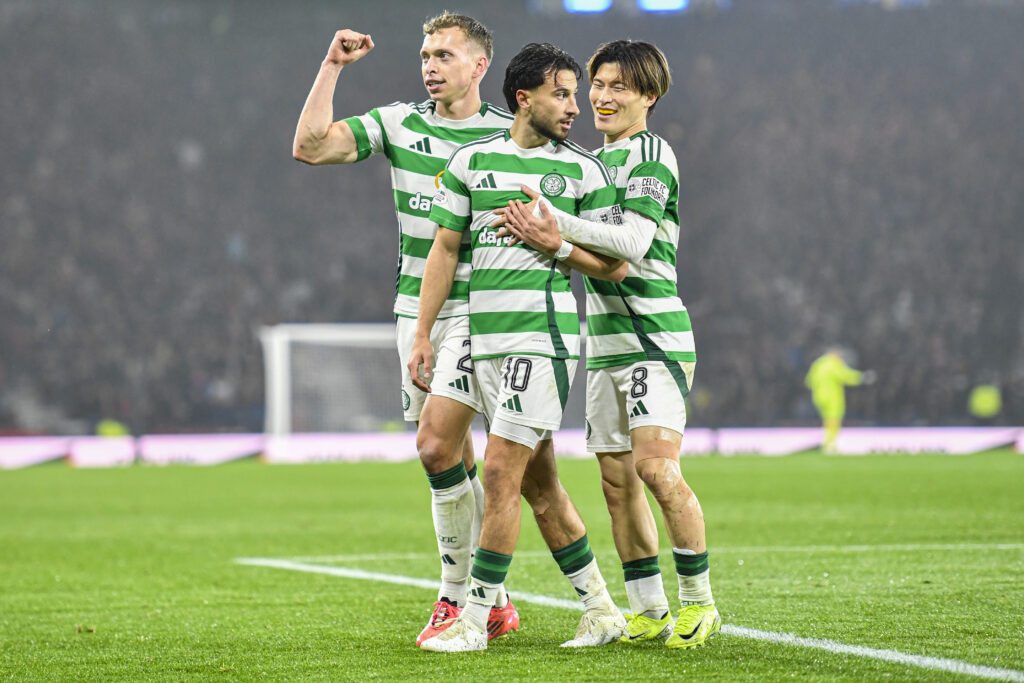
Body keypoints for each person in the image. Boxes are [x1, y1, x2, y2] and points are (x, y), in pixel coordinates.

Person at [291, 13, 521, 646]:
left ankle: (455, 598)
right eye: (425, 54)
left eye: (444, 55)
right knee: (451, 455)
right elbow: (310, 146)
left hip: (486, 312)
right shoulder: (399, 123)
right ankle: (492, 600)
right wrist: (332, 66)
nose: (429, 65)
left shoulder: (510, 137)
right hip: (416, 314)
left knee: (435, 447)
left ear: (479, 67)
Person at [494, 40, 721, 649]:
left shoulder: (651, 155)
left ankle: (699, 601)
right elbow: (584, 256)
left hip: (652, 335)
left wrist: (554, 224)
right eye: (597, 84)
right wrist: (556, 240)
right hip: (606, 341)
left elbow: (633, 244)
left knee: (655, 468)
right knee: (616, 482)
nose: (602, 96)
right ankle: (648, 609)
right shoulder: (589, 164)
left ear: (649, 95)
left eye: (619, 86)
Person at [409, 42, 630, 653]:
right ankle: (602, 609)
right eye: (562, 94)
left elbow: (615, 264)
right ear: (523, 96)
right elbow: (446, 251)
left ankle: (475, 622)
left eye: (576, 96)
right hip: (475, 336)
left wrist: (557, 244)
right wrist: (426, 332)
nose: (575, 108)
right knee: (475, 460)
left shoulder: (585, 171)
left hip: (539, 342)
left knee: (504, 473)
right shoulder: (471, 163)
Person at [805, 347, 875, 453]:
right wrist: (863, 378)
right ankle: (830, 445)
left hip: (818, 396)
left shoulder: (818, 364)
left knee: (827, 421)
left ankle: (826, 442)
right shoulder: (834, 364)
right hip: (832, 396)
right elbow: (846, 376)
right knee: (834, 420)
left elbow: (808, 381)